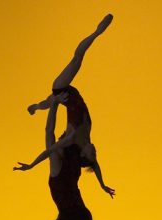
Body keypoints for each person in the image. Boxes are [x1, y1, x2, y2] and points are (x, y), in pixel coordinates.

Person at [27, 14, 113, 157]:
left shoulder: (72, 138)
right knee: (49, 101)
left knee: (77, 59)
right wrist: (103, 181)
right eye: (95, 154)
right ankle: (35, 107)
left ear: (83, 154)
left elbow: (49, 150)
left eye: (92, 154)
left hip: (62, 90)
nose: (95, 152)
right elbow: (96, 166)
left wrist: (31, 165)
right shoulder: (87, 135)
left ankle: (97, 32)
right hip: (69, 94)